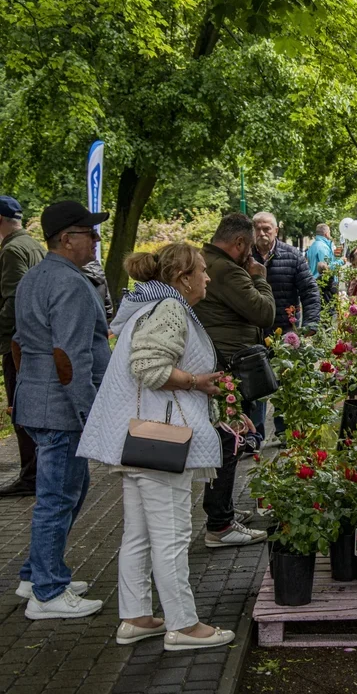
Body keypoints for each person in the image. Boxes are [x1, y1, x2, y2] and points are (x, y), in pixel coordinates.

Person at [77, 243, 236, 651]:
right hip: (162, 441)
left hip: (140, 438)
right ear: (181, 278)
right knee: (171, 534)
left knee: (139, 535)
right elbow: (149, 368)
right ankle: (183, 626)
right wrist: (198, 382)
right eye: (201, 270)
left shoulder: (148, 307)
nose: (208, 277)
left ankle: (135, 617)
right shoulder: (169, 308)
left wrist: (214, 405)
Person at [13, 200, 111, 619]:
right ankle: (48, 594)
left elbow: (19, 345)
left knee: (70, 490)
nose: (96, 239)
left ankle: (36, 573)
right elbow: (70, 356)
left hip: (37, 402)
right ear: (67, 239)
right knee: (57, 498)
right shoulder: (70, 284)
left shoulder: (34, 277)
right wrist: (91, 417)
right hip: (62, 409)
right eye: (90, 233)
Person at [193, 213, 272, 549]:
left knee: (228, 441)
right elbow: (264, 313)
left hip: (221, 361)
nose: (250, 256)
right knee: (228, 443)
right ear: (239, 243)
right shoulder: (226, 269)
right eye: (249, 249)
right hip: (230, 365)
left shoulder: (208, 261)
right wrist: (259, 278)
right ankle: (220, 525)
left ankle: (220, 510)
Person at [252, 212, 320, 441]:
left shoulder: (292, 256)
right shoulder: (243, 257)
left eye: (266, 229)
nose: (262, 233)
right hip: (254, 331)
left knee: (284, 382)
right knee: (256, 385)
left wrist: (311, 322)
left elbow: (309, 290)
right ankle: (255, 434)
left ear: (276, 231)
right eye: (257, 228)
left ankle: (282, 431)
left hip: (285, 330)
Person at [0, 196, 45, 498]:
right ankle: (37, 472)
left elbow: (14, 300)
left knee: (21, 410)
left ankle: (31, 477)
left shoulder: (13, 249)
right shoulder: (33, 245)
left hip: (17, 343)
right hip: (33, 340)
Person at [305, 223, 340, 306]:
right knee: (328, 311)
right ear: (326, 234)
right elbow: (327, 267)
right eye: (330, 232)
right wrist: (340, 262)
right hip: (324, 285)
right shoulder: (323, 247)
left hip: (314, 282)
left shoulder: (313, 246)